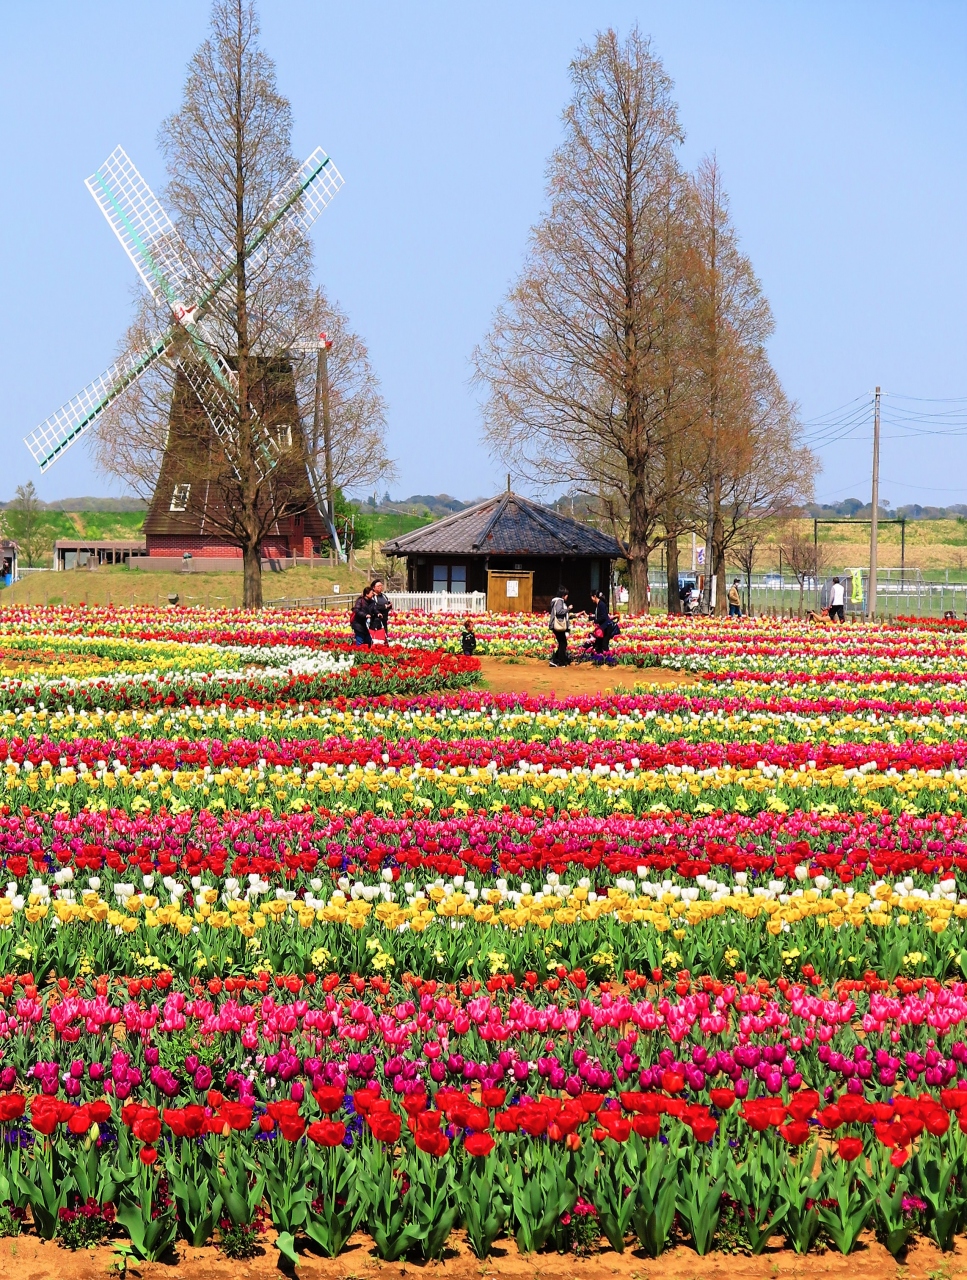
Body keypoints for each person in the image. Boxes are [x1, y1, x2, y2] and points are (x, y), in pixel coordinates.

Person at [548, 587, 571, 667]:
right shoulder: (560, 601)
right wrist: (568, 609)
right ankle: (559, 661)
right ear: (563, 595)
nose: (567, 597)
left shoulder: (556, 601)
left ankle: (556, 660)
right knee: (563, 643)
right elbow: (559, 611)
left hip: (555, 625)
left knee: (562, 643)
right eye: (567, 595)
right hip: (558, 625)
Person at [589, 589, 611, 654]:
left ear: (594, 596)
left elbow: (604, 616)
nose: (591, 599)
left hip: (606, 627)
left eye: (591, 597)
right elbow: (599, 616)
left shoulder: (601, 604)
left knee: (604, 645)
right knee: (599, 644)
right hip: (603, 627)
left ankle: (608, 660)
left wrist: (595, 621)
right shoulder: (599, 604)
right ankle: (600, 659)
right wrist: (590, 618)